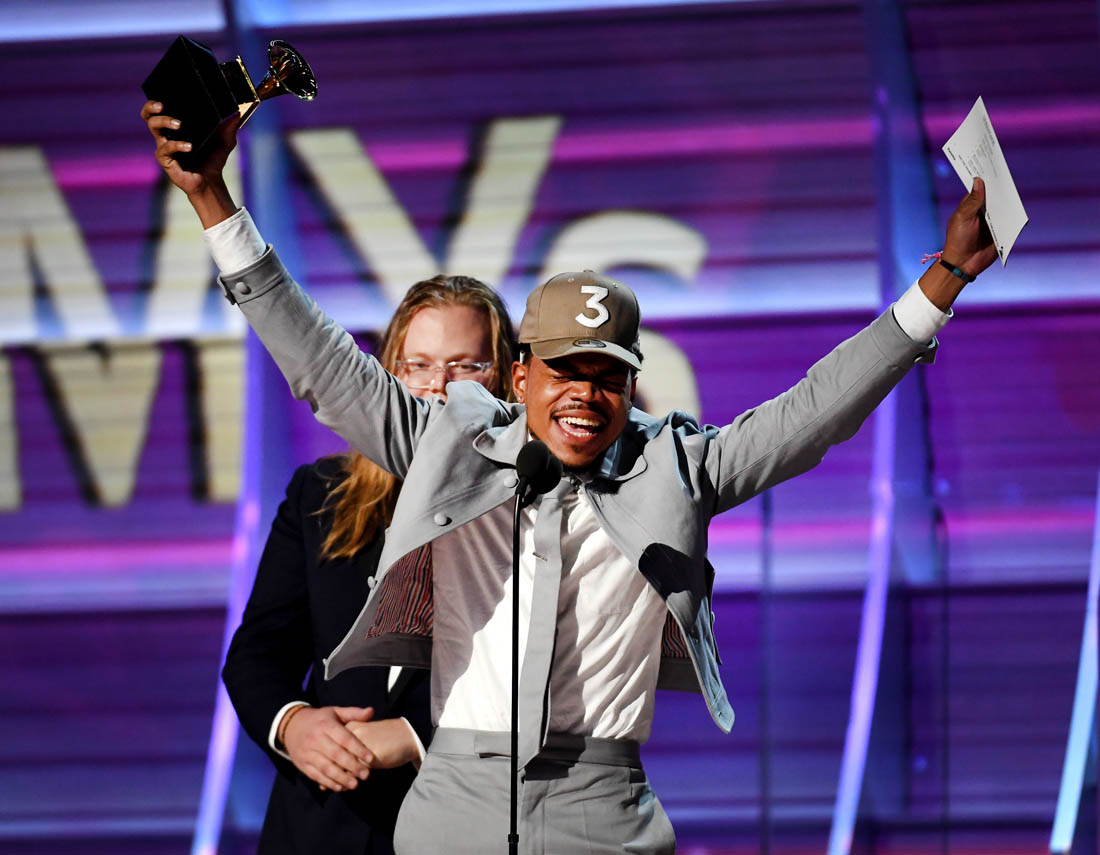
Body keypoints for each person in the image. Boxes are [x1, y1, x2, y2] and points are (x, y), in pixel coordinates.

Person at [143, 99, 997, 854]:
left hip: (601, 809)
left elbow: (814, 411)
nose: (584, 394)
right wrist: (214, 200)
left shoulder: (679, 464)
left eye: (607, 374)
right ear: (520, 378)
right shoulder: (455, 446)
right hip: (450, 814)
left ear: (632, 384)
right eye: (563, 370)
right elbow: (322, 361)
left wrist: (942, 281)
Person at [219, 273, 515, 855]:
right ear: (390, 375)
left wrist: (413, 737)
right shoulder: (321, 496)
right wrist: (294, 725)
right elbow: (257, 654)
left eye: (465, 367)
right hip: (318, 826)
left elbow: (552, 684)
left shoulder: (536, 514)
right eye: (420, 366)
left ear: (507, 378)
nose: (438, 389)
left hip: (462, 828)